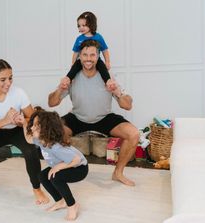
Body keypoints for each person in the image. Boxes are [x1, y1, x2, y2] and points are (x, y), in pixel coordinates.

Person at [48, 39, 139, 187]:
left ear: (98, 57)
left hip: (104, 118)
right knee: (54, 131)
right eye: (85, 55)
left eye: (92, 55)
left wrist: (117, 92)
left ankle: (118, 173)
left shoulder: (108, 77)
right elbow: (52, 102)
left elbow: (127, 105)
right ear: (79, 56)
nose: (88, 59)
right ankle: (65, 170)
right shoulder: (72, 77)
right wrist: (59, 88)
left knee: (133, 134)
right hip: (77, 117)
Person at [0, 59, 49, 204]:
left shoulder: (19, 93)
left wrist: (21, 120)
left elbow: (32, 117)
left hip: (16, 130)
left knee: (31, 152)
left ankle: (37, 189)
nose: (8, 83)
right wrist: (5, 121)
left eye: (10, 78)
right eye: (3, 79)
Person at [16, 110, 88, 221]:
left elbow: (76, 160)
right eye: (32, 125)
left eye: (36, 126)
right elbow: (29, 139)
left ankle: (72, 205)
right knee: (42, 176)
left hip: (79, 168)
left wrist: (57, 167)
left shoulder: (56, 147)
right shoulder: (42, 140)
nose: (32, 128)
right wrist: (24, 123)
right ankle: (60, 201)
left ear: (45, 130)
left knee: (55, 177)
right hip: (65, 163)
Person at [65, 11, 114, 90]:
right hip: (82, 60)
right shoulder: (79, 39)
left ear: (91, 24)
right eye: (79, 26)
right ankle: (68, 79)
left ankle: (108, 81)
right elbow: (76, 52)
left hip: (95, 60)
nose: (81, 28)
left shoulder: (98, 37)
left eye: (83, 25)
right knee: (75, 67)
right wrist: (73, 63)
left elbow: (105, 50)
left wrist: (107, 61)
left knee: (102, 68)